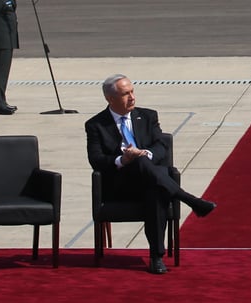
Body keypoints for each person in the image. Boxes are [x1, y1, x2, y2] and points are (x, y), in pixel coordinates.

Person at [86, 74, 217, 274]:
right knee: (146, 170)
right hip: (121, 185)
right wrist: (123, 160)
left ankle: (156, 258)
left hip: (150, 182)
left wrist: (143, 154)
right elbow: (96, 159)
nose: (132, 97)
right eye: (125, 94)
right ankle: (189, 199)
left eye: (132, 92)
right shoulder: (96, 125)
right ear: (110, 99)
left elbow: (161, 146)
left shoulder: (147, 116)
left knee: (154, 188)